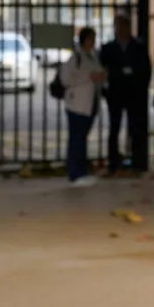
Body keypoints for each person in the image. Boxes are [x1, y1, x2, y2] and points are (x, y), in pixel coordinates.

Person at [99, 14, 152, 176]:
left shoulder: (138, 47)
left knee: (136, 128)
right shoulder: (107, 48)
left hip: (135, 94)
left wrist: (142, 89)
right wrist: (105, 91)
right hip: (115, 94)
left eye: (124, 26)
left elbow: (146, 70)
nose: (121, 29)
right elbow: (101, 71)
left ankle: (138, 162)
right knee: (114, 129)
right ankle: (113, 163)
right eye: (118, 26)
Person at [60, 26, 106, 187]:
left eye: (94, 38)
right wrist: (89, 77)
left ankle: (81, 170)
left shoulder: (92, 56)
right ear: (83, 40)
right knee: (76, 138)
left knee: (82, 138)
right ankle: (75, 173)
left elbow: (98, 73)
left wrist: (100, 77)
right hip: (77, 103)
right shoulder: (76, 58)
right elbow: (66, 79)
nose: (92, 42)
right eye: (90, 39)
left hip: (89, 103)